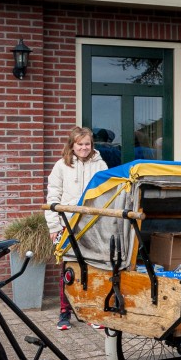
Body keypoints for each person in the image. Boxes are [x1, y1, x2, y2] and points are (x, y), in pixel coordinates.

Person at [45, 126, 108, 330]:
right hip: (68, 225)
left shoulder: (101, 165)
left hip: (92, 225)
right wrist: (54, 226)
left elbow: (106, 195)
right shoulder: (61, 166)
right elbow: (53, 196)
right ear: (72, 145)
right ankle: (65, 312)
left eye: (87, 144)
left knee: (92, 269)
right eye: (80, 144)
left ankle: (91, 312)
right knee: (69, 269)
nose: (84, 148)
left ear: (92, 145)